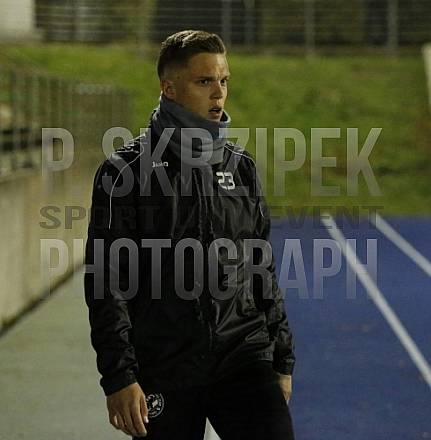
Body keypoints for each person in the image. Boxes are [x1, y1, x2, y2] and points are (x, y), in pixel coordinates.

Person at [84, 30, 295, 439]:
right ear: (170, 88)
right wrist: (118, 376)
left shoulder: (240, 167)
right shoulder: (124, 172)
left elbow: (261, 269)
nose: (219, 93)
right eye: (204, 81)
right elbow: (107, 282)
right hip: (165, 364)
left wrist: (281, 358)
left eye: (224, 80)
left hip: (243, 356)